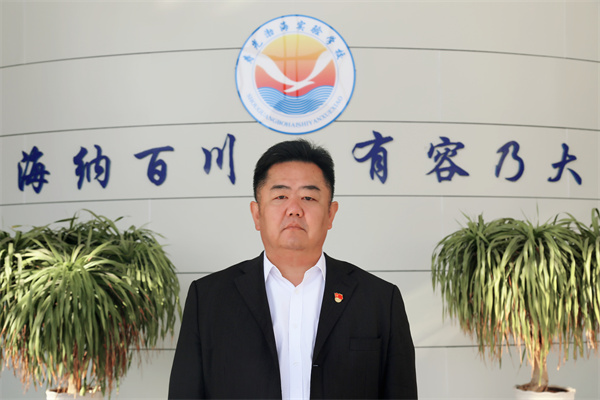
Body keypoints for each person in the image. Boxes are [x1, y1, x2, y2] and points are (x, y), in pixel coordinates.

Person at [168, 139, 417, 399]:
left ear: (331, 214)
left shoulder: (379, 300)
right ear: (257, 214)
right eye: (280, 196)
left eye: (308, 197)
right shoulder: (208, 299)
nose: (294, 209)